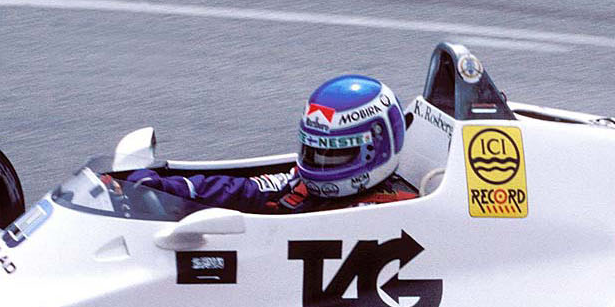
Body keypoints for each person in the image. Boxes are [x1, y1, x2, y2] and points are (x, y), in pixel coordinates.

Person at [128, 75, 419, 213]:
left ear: (376, 148)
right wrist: (165, 189)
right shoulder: (299, 186)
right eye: (313, 151)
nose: (318, 163)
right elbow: (241, 189)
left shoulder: (396, 212)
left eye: (335, 154)